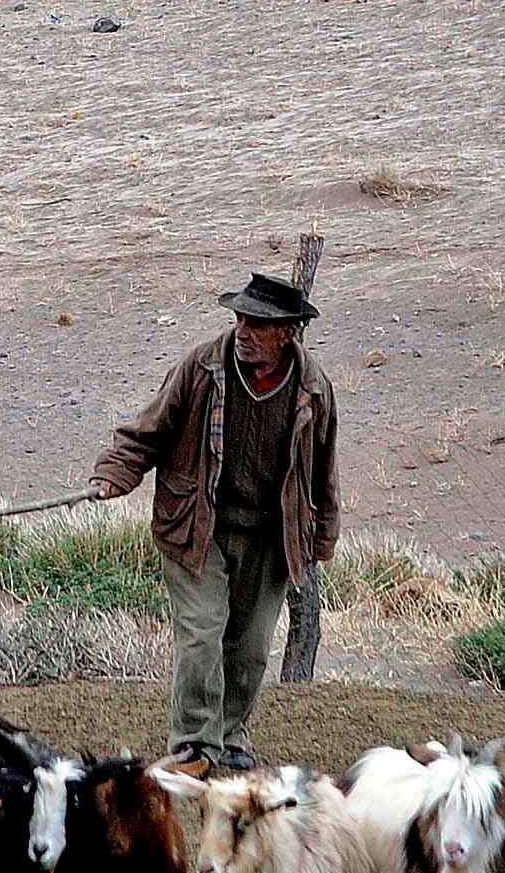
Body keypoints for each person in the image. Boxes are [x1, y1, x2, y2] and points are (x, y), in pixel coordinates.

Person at [83, 265, 338, 749]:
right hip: (198, 527)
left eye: (256, 325)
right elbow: (146, 432)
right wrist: (115, 473)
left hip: (270, 537)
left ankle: (230, 735)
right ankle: (196, 743)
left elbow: (323, 469)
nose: (243, 332)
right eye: (240, 321)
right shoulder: (200, 368)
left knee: (251, 649)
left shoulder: (314, 388)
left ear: (286, 333)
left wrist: (321, 536)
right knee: (202, 639)